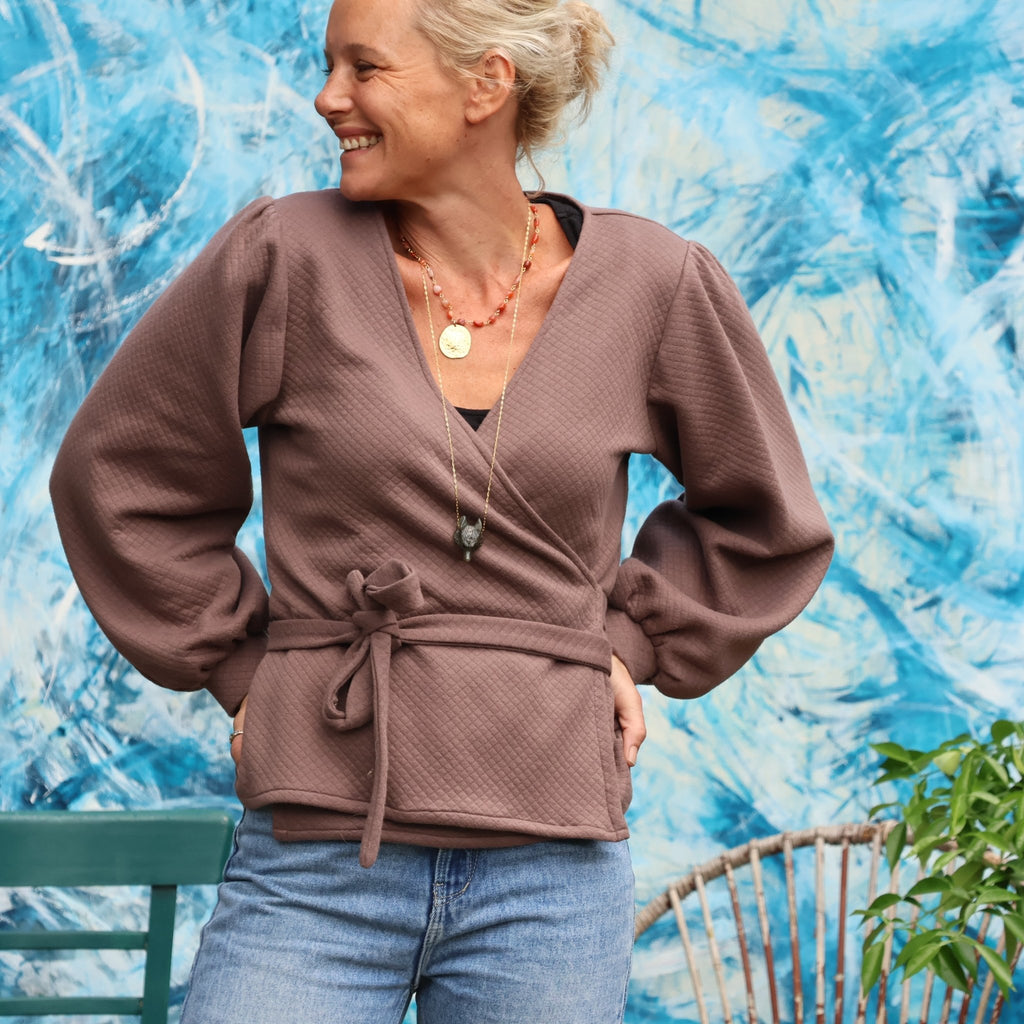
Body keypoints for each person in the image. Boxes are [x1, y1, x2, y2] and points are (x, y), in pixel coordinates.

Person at [49, 0, 834, 1020]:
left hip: (552, 874)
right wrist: (241, 669)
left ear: (485, 84)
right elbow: (120, 473)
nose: (327, 98)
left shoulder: (653, 283)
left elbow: (765, 520)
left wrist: (629, 642)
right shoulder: (282, 256)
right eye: (329, 66)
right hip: (317, 861)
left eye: (364, 68)